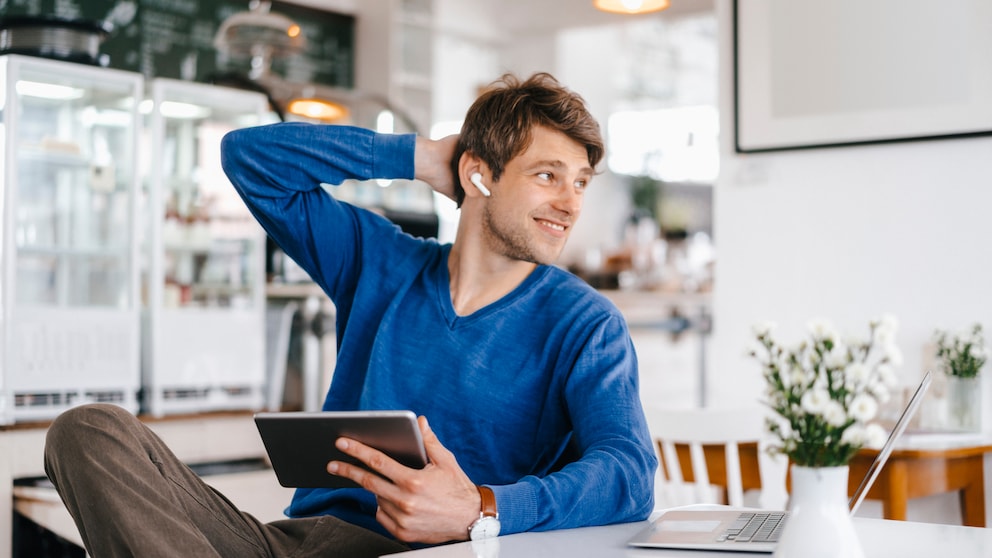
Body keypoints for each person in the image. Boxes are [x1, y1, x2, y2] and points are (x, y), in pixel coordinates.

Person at [44, 72, 657, 557]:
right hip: (299, 543)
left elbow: (628, 474)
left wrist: (480, 507)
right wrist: (418, 157)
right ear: (479, 174)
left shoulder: (586, 325)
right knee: (87, 432)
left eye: (580, 182)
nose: (570, 202)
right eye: (548, 175)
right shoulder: (381, 261)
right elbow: (250, 159)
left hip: (432, 553)